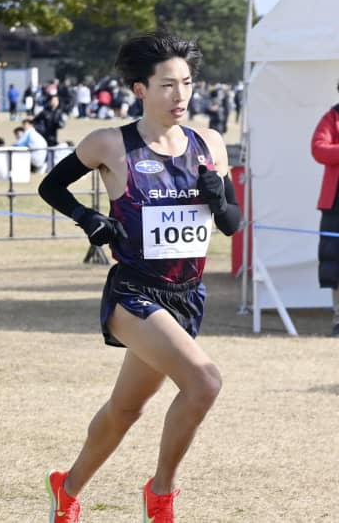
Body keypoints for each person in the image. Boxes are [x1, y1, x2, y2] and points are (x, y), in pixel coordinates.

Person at [38, 31, 241, 523]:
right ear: (140, 89)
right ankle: (161, 492)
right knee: (205, 382)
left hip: (187, 296)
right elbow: (51, 186)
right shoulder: (110, 142)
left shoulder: (208, 143)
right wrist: (89, 219)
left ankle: (66, 490)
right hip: (134, 292)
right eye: (168, 84)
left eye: (187, 83)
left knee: (125, 410)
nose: (181, 95)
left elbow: (232, 225)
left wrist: (218, 196)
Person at [311, 86, 339, 337]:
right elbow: (319, 148)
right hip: (336, 204)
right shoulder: (332, 117)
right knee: (335, 263)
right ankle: (338, 317)